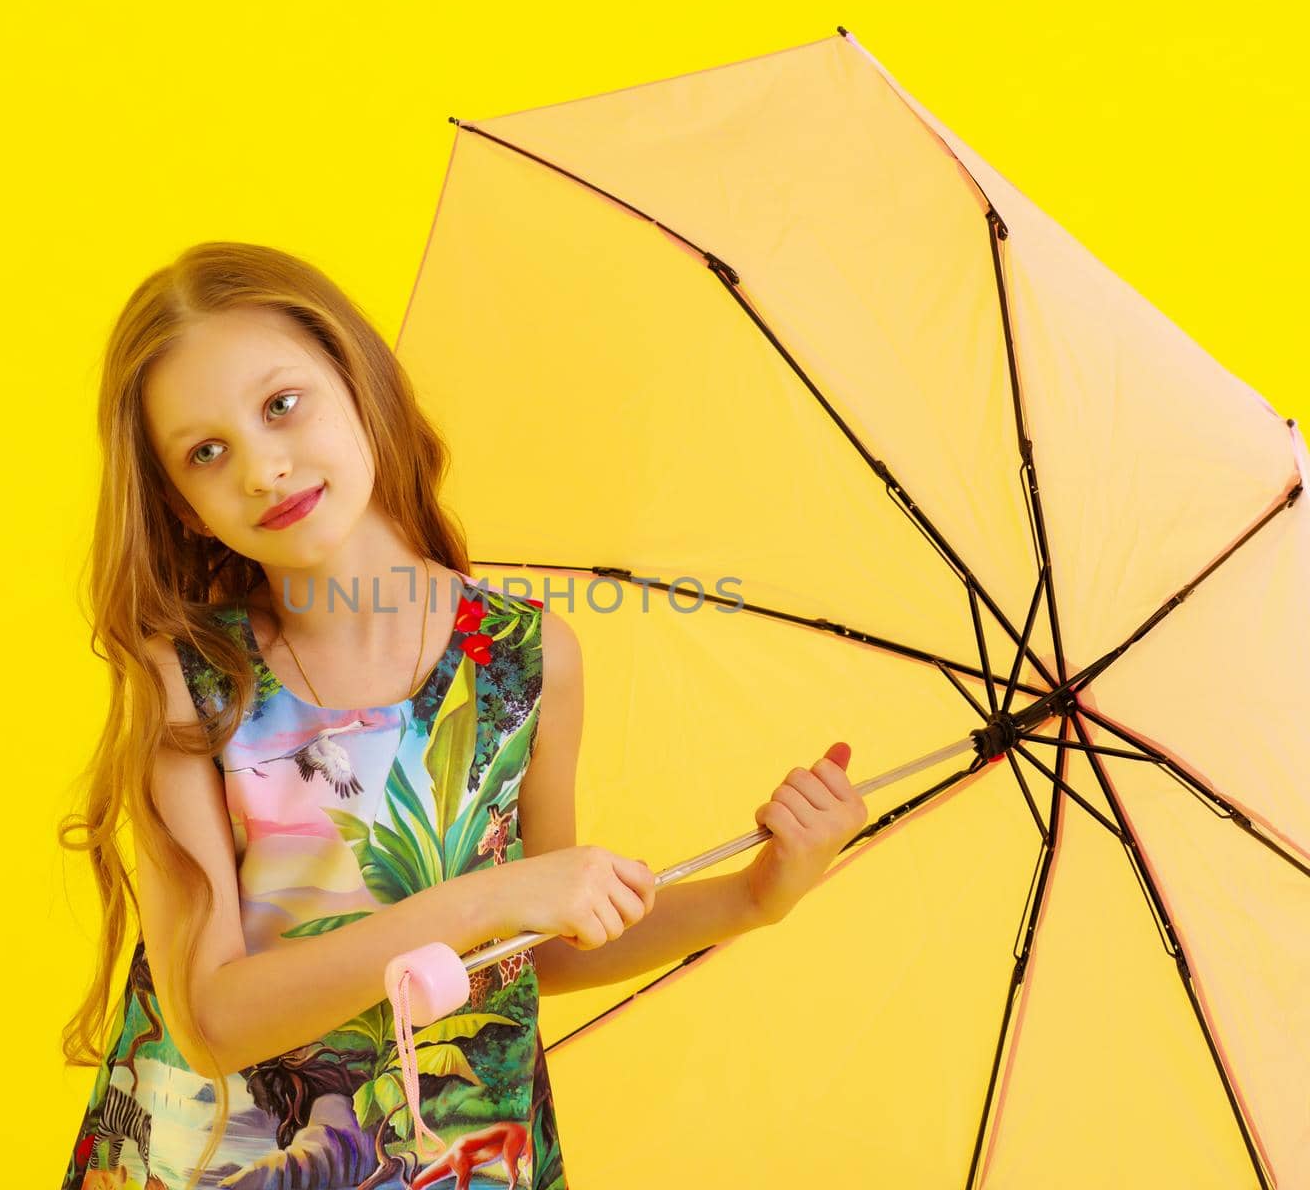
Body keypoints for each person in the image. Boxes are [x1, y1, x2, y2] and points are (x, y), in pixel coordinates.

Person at [57, 241, 867, 1190]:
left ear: (362, 388)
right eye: (207, 452)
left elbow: (535, 957)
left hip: (454, 1156)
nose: (264, 469)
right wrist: (482, 899)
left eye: (281, 406)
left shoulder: (525, 663)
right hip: (228, 1162)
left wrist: (755, 894)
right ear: (184, 508)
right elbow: (212, 1020)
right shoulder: (193, 680)